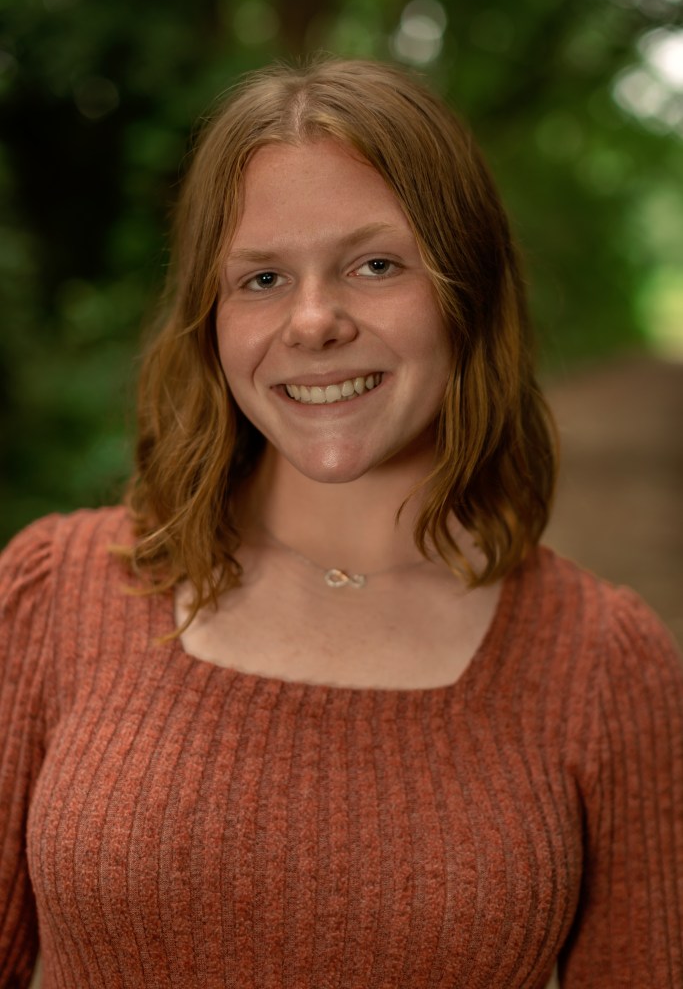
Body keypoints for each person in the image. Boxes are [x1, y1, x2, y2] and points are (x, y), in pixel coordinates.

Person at [1, 58, 681, 989]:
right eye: (263, 278)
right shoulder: (49, 596)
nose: (314, 321)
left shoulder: (605, 667)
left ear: (465, 292)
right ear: (210, 317)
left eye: (374, 265)